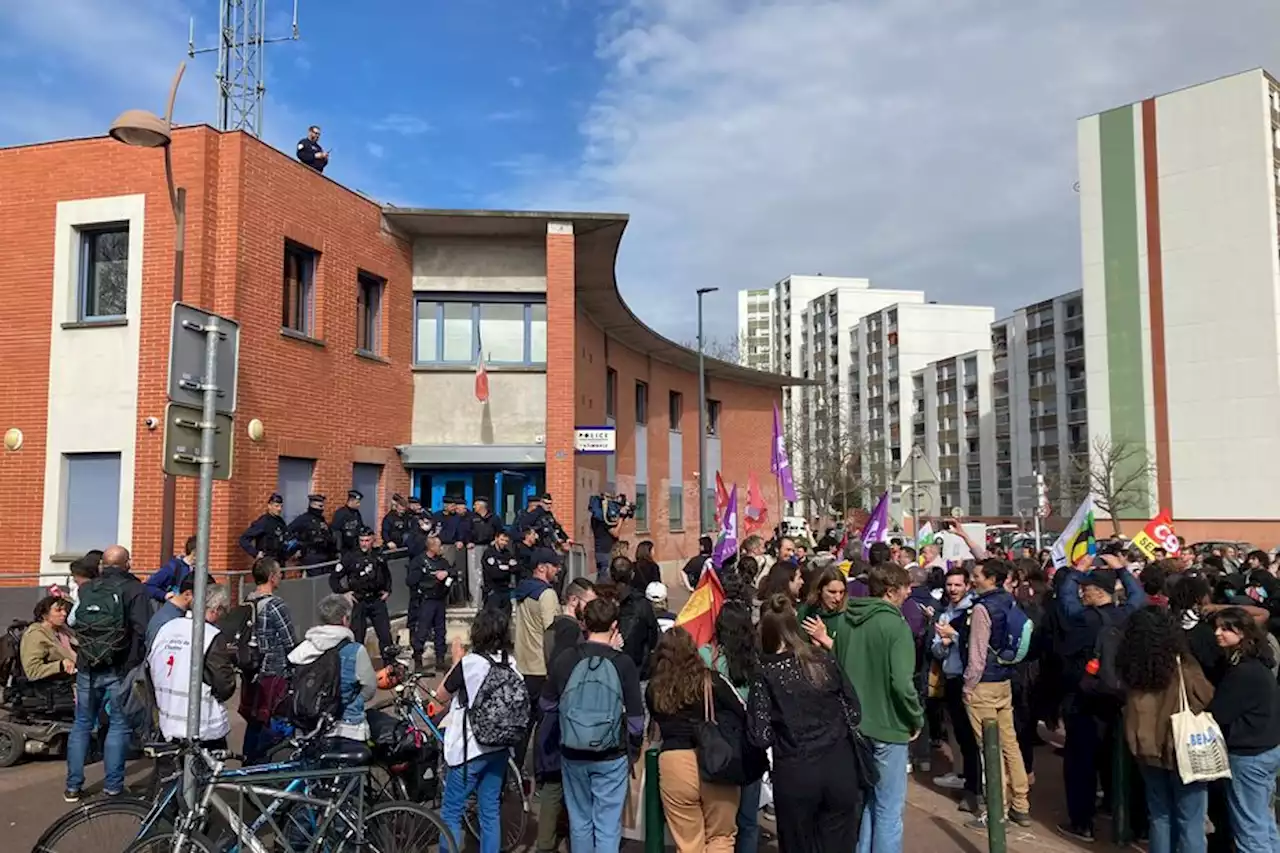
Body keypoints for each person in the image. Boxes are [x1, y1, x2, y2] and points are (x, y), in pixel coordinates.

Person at [806, 563, 922, 853]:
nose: (909, 592)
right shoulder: (896, 626)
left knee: (872, 802)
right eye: (905, 587)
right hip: (888, 726)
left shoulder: (846, 621)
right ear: (892, 591)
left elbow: (840, 667)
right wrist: (915, 717)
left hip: (855, 726)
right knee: (889, 809)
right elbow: (901, 683)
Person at [748, 594, 863, 852]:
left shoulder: (766, 673)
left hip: (797, 771)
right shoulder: (822, 659)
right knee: (839, 843)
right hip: (839, 767)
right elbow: (854, 711)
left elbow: (760, 734)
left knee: (799, 844)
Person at [540, 597, 645, 853]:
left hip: (572, 751)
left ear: (584, 623)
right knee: (608, 825)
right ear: (615, 625)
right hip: (612, 753)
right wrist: (634, 746)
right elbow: (636, 719)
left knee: (580, 822)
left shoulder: (566, 659)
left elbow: (545, 704)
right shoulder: (623, 663)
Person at [1056, 558, 1148, 842]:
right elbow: (1138, 596)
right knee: (1118, 758)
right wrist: (1122, 569)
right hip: (1118, 698)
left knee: (1081, 763)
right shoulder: (1129, 614)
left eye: (1087, 589)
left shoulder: (1085, 618)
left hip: (1085, 699)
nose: (1082, 593)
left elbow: (1065, 599)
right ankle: (1124, 815)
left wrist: (1075, 573)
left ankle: (1082, 823)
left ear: (1098, 592)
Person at [1116, 607, 1215, 853]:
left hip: (1146, 747)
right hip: (1182, 746)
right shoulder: (1182, 663)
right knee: (1190, 819)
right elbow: (1205, 695)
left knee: (1159, 815)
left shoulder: (1129, 665)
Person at [64, 545, 150, 803]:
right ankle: (113, 787)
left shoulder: (88, 588)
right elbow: (143, 628)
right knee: (119, 725)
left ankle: (72, 786)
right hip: (119, 667)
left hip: (87, 665)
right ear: (128, 564)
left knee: (81, 724)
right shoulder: (136, 589)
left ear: (102, 565)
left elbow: (72, 621)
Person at [436, 608, 524, 853]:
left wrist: (455, 659)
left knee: (451, 811)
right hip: (500, 747)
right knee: (490, 811)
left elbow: (442, 694)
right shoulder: (510, 663)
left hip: (470, 748)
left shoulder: (470, 663)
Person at [648, 628, 743, 853]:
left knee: (688, 843)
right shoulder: (712, 681)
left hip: (673, 763)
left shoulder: (654, 688)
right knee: (721, 837)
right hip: (716, 760)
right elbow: (742, 713)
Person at [960, 559, 1032, 829]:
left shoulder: (982, 608)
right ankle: (1021, 804)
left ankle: (996, 810)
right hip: (1004, 680)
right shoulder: (1008, 599)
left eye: (977, 575)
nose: (973, 579)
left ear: (990, 578)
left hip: (983, 684)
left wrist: (968, 686)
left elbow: (977, 653)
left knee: (988, 748)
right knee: (1010, 744)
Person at [1209, 607, 1280, 852]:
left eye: (1226, 629)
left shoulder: (1242, 672)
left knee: (1250, 826)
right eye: (1217, 627)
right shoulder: (1259, 662)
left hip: (1249, 755)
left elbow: (1219, 713)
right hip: (1266, 749)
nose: (1218, 633)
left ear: (1242, 633)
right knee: (1264, 820)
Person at [535, 577, 597, 853]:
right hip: (564, 716)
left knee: (555, 783)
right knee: (558, 785)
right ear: (574, 601)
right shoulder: (570, 634)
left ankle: (552, 837)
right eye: (589, 603)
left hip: (554, 715)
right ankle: (549, 843)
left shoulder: (552, 629)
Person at [698, 601, 765, 853]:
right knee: (748, 821)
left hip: (716, 745)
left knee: (717, 824)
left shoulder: (706, 656)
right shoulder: (756, 661)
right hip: (749, 745)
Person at [148, 584, 237, 746]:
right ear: (216, 609)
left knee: (171, 770)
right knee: (206, 769)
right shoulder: (210, 635)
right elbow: (224, 684)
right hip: (202, 726)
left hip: (166, 721)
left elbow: (151, 668)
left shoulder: (167, 628)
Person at [287, 594, 377, 742]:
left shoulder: (303, 648)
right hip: (347, 727)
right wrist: (353, 704)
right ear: (344, 619)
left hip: (307, 726)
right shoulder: (355, 650)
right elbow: (369, 688)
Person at [931, 566, 982, 810]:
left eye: (957, 585)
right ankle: (969, 782)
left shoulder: (974, 610)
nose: (952, 589)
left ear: (967, 586)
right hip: (951, 677)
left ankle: (975, 790)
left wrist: (957, 635)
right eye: (949, 585)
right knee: (961, 736)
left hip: (969, 679)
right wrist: (943, 641)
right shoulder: (945, 613)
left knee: (974, 738)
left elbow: (979, 645)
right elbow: (937, 650)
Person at [238, 558, 299, 762]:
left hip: (251, 670)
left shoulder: (247, 601)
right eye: (280, 573)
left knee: (254, 720)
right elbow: (289, 641)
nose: (281, 576)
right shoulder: (275, 605)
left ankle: (247, 761)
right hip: (275, 671)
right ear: (272, 577)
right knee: (273, 720)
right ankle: (268, 765)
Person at [330, 527, 394, 667]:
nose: (364, 544)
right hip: (359, 600)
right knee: (357, 636)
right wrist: (344, 592)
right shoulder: (350, 557)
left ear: (373, 540)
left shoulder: (379, 555)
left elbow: (387, 575)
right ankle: (355, 667)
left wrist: (388, 590)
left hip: (377, 600)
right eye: (361, 541)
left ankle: (389, 666)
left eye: (367, 540)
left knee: (385, 635)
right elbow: (334, 578)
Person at [408, 534, 456, 673]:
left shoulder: (442, 561)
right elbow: (411, 580)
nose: (441, 548)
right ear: (431, 547)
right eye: (439, 545)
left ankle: (440, 659)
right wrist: (430, 575)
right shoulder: (419, 561)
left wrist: (446, 573)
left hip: (440, 600)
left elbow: (452, 571)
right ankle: (418, 660)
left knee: (440, 631)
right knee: (422, 631)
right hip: (425, 600)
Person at [610, 556, 661, 680]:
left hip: (610, 668)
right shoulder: (642, 604)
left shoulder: (604, 600)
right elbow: (653, 637)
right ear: (632, 575)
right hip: (637, 669)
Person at [20, 596, 76, 681]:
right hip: (54, 685)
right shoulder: (36, 635)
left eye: (64, 610)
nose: (64, 613)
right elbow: (32, 671)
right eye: (58, 610)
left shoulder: (63, 631)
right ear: (44, 615)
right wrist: (60, 665)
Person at [796, 564, 848, 639]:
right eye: (832, 592)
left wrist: (823, 639)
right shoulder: (806, 612)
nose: (838, 598)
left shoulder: (848, 616)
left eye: (841, 592)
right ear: (819, 590)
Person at [239, 492, 290, 564]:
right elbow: (243, 539)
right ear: (269, 506)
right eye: (276, 506)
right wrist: (255, 553)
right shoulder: (263, 522)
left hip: (279, 561)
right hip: (266, 562)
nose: (279, 509)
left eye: (281, 506)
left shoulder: (281, 522)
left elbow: (285, 538)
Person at [144, 535, 197, 602]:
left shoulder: (199, 571)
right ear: (194, 552)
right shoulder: (173, 567)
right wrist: (164, 595)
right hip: (172, 608)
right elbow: (148, 586)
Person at [481, 529, 521, 615]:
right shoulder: (489, 553)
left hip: (505, 591)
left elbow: (516, 568)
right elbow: (495, 573)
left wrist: (503, 568)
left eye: (506, 541)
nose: (504, 543)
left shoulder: (507, 553)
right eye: (502, 540)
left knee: (506, 618)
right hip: (492, 591)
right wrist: (508, 567)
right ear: (496, 539)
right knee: (492, 620)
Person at [331, 490, 367, 555]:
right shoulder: (341, 513)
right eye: (357, 503)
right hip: (344, 548)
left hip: (355, 546)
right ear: (351, 501)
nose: (359, 505)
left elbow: (360, 527)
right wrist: (338, 549)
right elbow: (335, 531)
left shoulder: (356, 513)